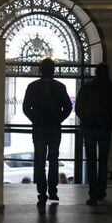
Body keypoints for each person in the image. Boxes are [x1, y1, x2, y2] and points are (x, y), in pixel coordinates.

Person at [23, 58, 72, 208]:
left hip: (38, 128)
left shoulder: (32, 87)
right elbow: (68, 107)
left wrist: (35, 120)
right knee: (53, 159)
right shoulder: (60, 87)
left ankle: (41, 193)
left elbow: (26, 108)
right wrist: (58, 119)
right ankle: (53, 191)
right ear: (53, 70)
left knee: (39, 160)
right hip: (54, 128)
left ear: (40, 70)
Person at [75, 62, 112, 206]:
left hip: (89, 128)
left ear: (96, 72)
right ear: (107, 73)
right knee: (103, 161)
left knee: (91, 162)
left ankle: (93, 195)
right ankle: (101, 191)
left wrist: (86, 118)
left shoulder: (87, 87)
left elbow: (78, 107)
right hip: (105, 128)